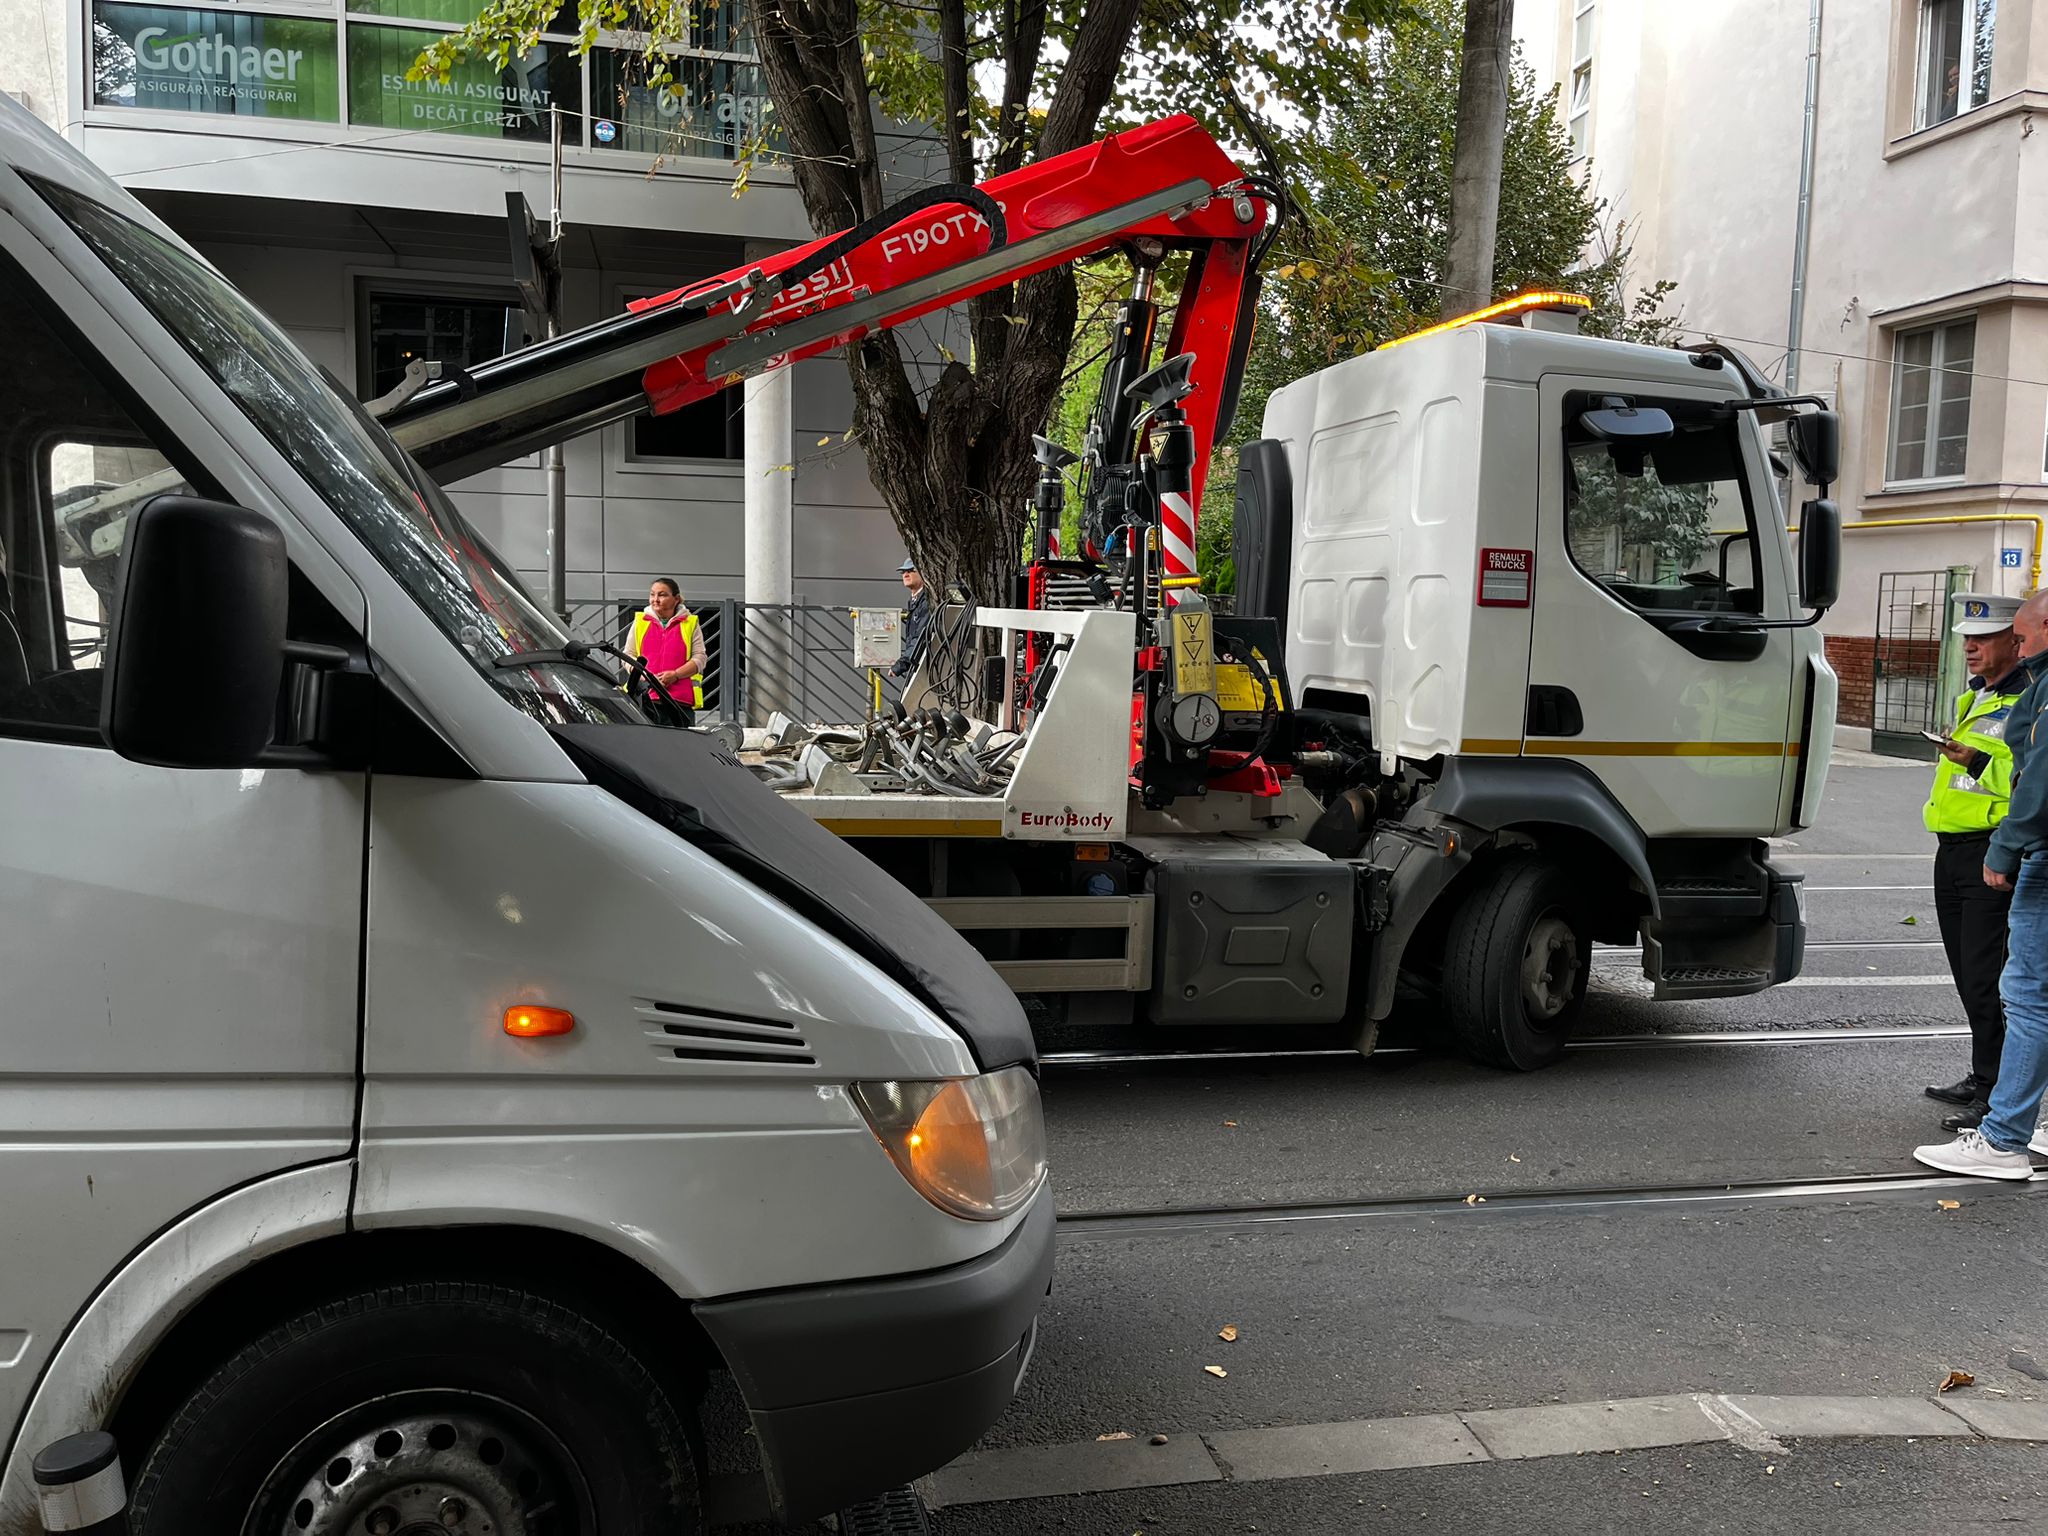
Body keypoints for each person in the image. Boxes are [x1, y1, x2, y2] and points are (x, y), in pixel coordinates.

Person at [1915, 589, 2048, 1179]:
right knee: (1978, 977)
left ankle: (1999, 1107)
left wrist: (1973, 762)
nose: (1970, 649)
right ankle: (1987, 1080)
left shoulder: (2029, 693)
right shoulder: (1983, 696)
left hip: (1998, 850)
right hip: (1961, 847)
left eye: (1988, 639)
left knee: (2005, 984)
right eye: (1966, 640)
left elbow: (2027, 775)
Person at [627, 577, 703, 725]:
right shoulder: (640, 622)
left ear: (676, 599)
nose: (655, 599)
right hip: (644, 699)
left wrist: (675, 675)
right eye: (652, 594)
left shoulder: (690, 623)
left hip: (679, 702)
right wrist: (644, 676)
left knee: (679, 746)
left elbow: (700, 658)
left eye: (662, 595)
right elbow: (628, 655)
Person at [889, 556, 931, 684]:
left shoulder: (926, 602)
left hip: (927, 667)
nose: (906, 574)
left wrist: (901, 665)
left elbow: (920, 638)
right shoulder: (915, 600)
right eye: (903, 572)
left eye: (911, 570)